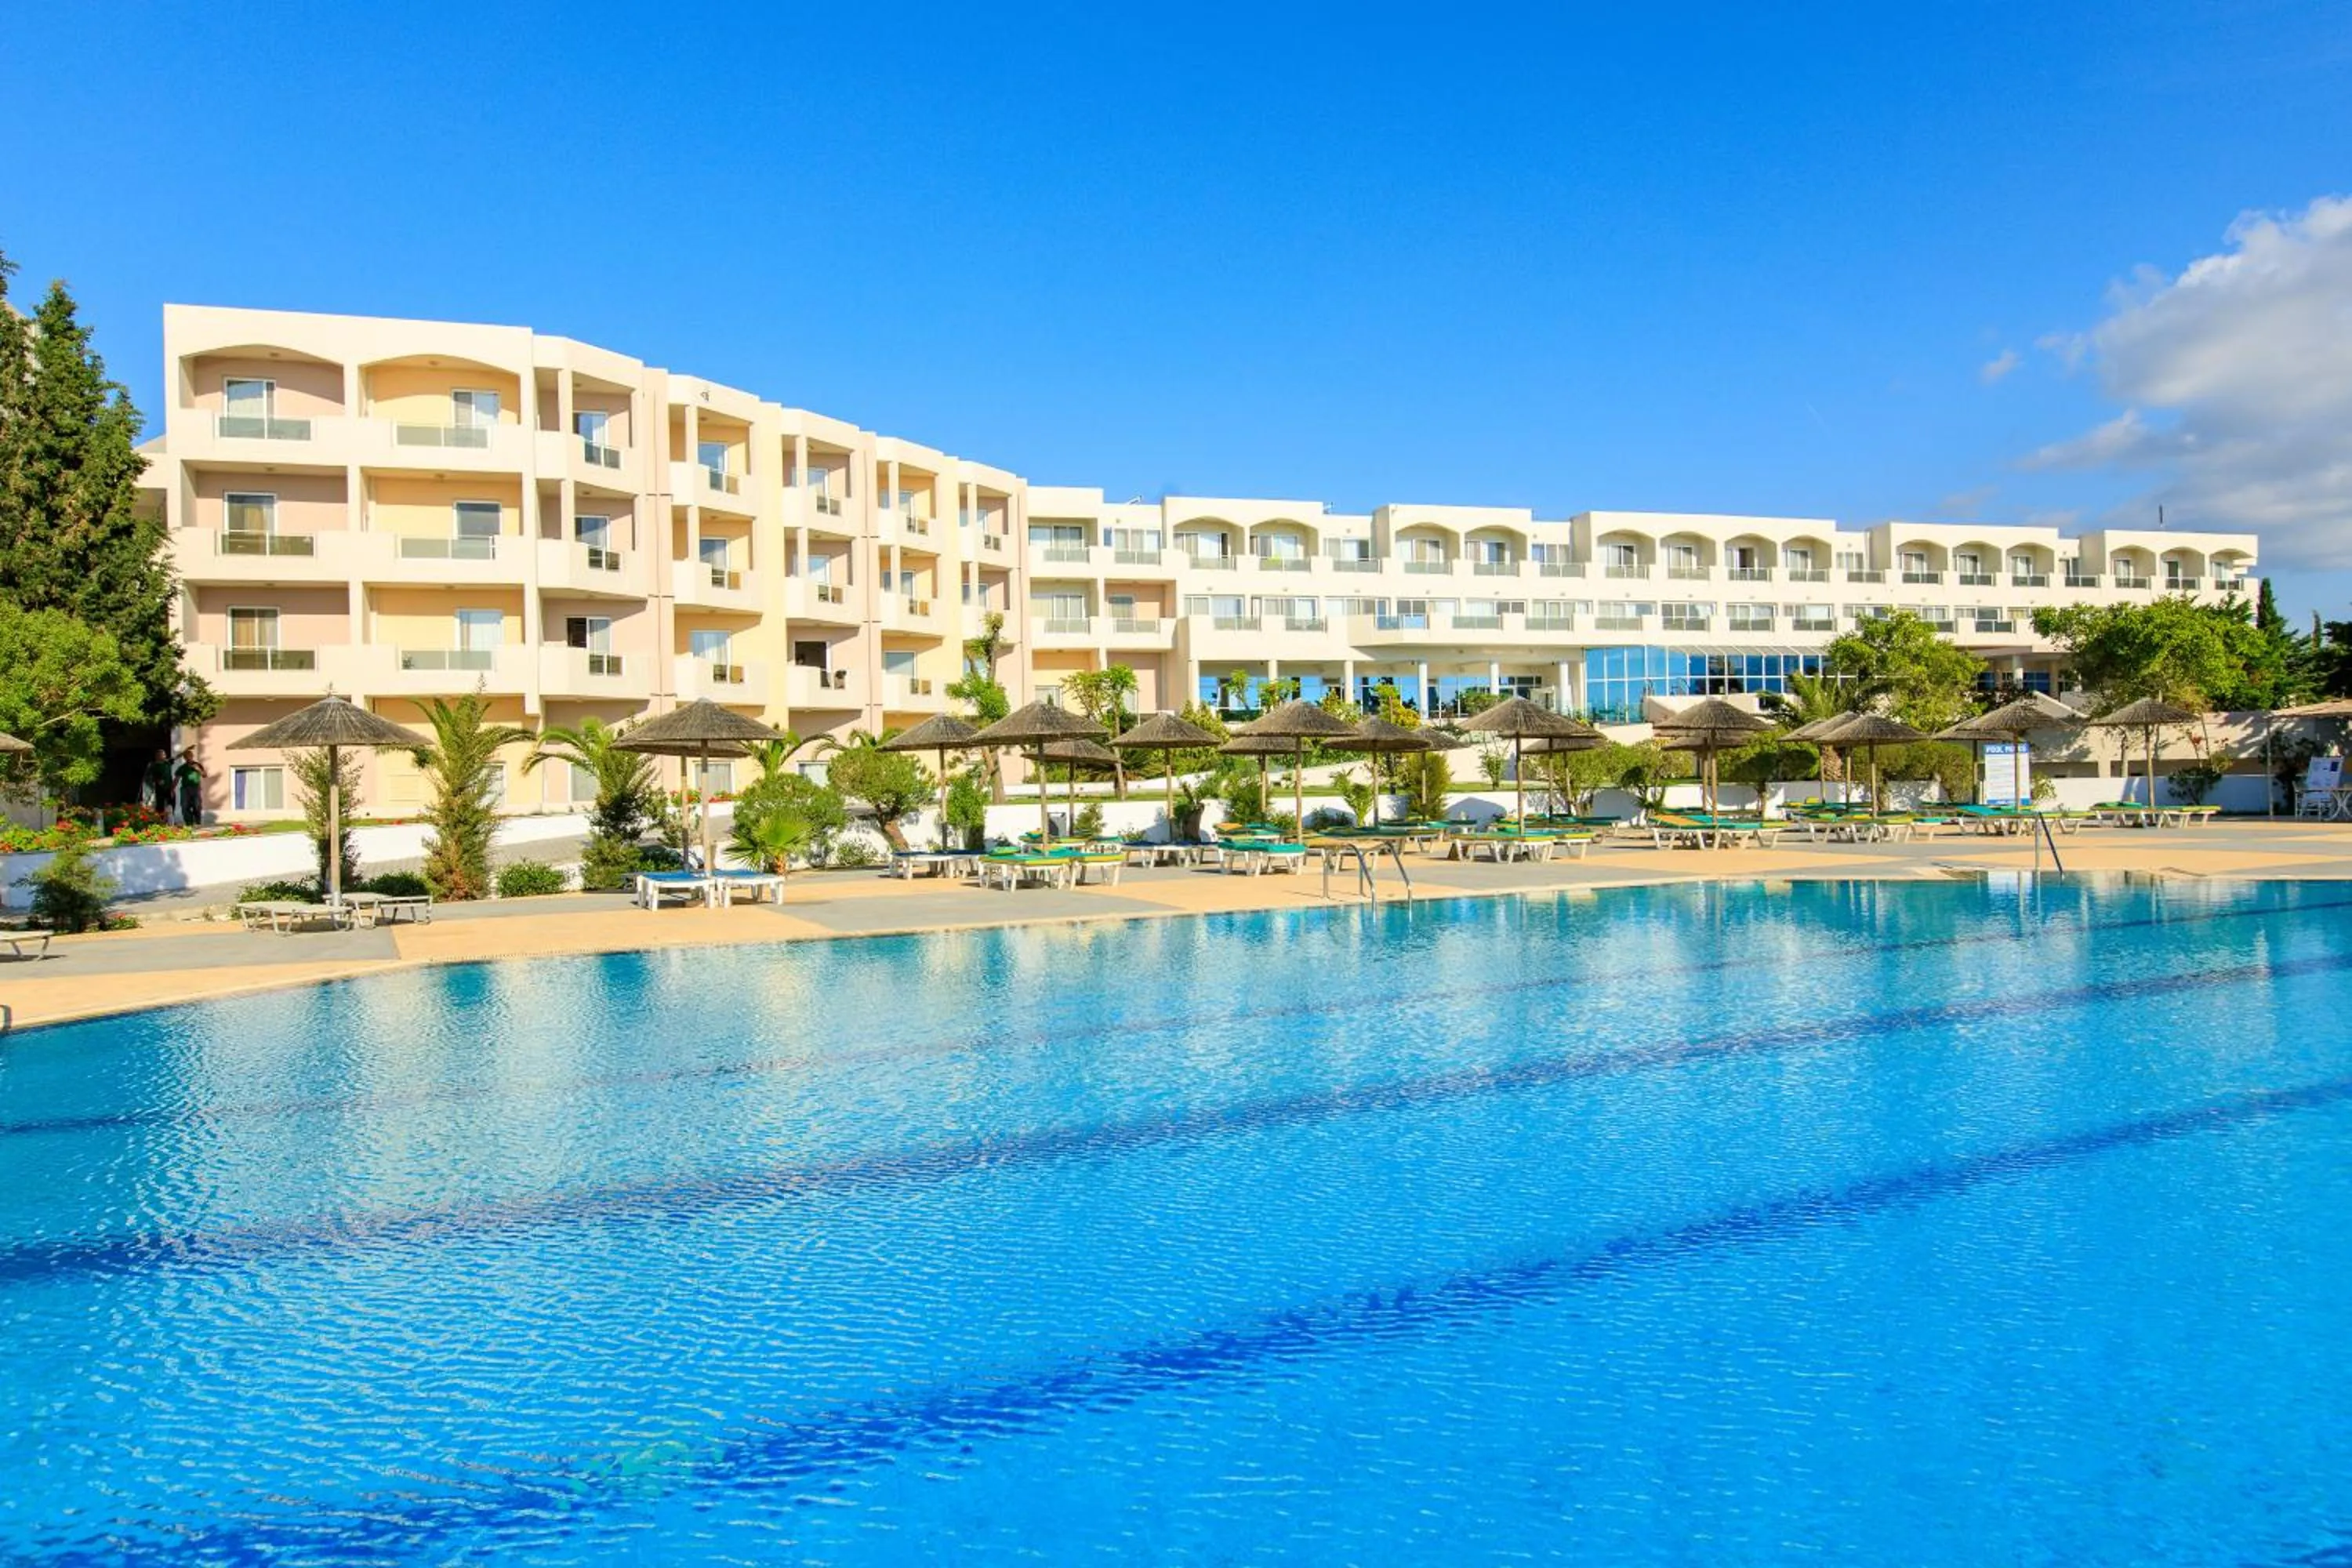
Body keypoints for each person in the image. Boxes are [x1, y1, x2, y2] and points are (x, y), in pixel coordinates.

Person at [173, 747, 204, 827]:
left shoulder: (198, 765)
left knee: (197, 806)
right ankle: (189, 823)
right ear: (184, 758)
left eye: (190, 756)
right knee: (184, 806)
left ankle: (197, 822)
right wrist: (172, 789)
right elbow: (176, 779)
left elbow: (205, 775)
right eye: (186, 757)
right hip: (185, 789)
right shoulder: (182, 767)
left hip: (196, 788)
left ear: (192, 756)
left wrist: (198, 769)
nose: (188, 758)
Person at [143, 749, 174, 818]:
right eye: (163, 755)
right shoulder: (153, 765)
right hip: (159, 789)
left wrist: (185, 751)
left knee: (171, 804)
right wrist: (157, 780)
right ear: (158, 756)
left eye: (165, 754)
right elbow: (148, 777)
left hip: (169, 788)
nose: (165, 756)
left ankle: (170, 820)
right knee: (160, 805)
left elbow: (177, 757)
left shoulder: (167, 763)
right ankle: (160, 819)